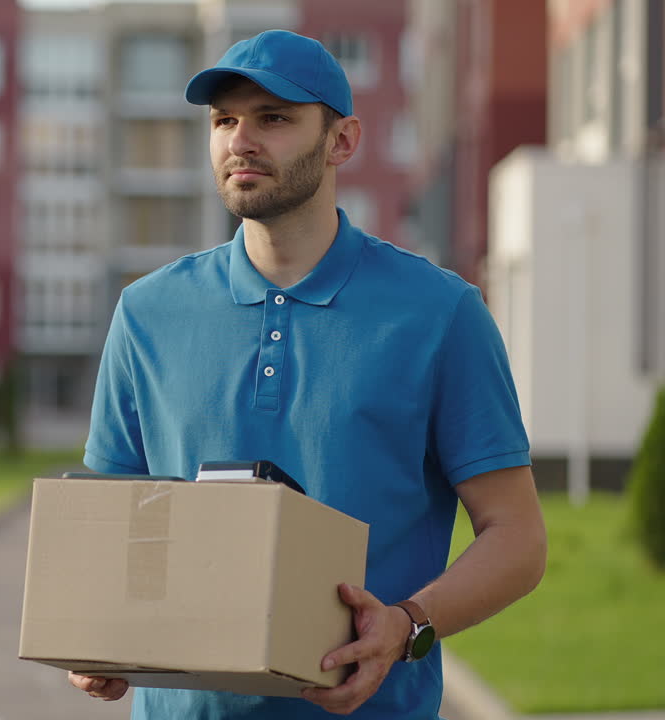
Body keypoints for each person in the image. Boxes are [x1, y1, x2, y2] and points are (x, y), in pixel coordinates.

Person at [68, 29, 547, 719]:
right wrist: (100, 635)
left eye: (274, 118)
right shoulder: (148, 312)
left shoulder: (440, 313)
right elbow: (114, 529)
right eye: (225, 120)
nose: (241, 141)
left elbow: (518, 538)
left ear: (342, 141)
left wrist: (408, 624)